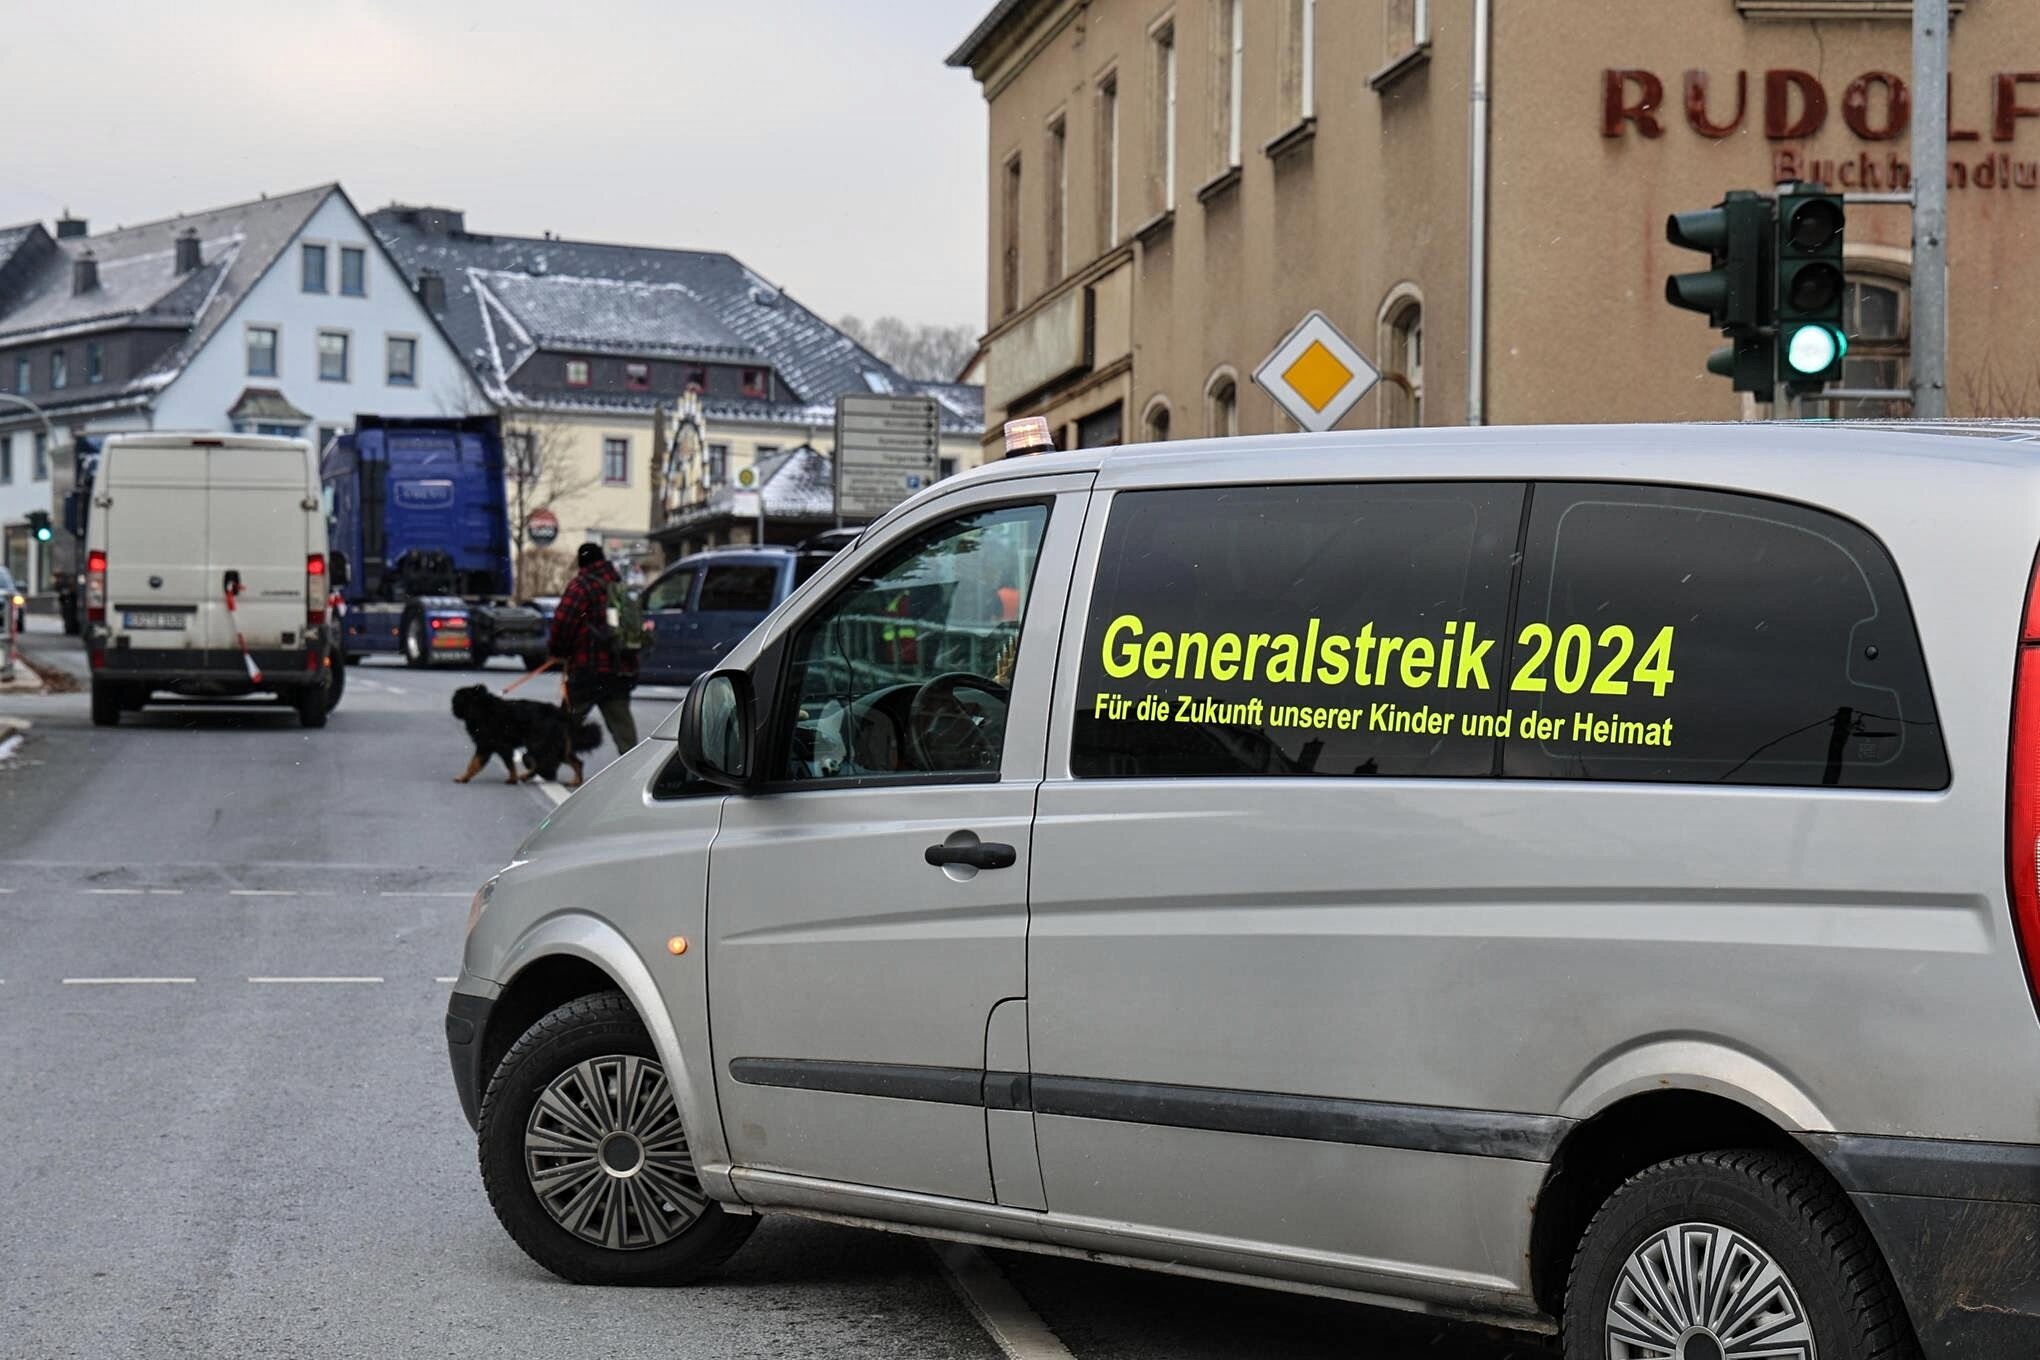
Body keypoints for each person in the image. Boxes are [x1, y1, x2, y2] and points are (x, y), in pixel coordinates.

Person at [549, 543, 638, 758]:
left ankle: (544, 759)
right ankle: (637, 769)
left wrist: (557, 650)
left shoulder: (581, 586)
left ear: (582, 562)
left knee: (567, 721)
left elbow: (563, 621)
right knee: (623, 729)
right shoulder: (618, 585)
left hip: (587, 668)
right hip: (619, 666)